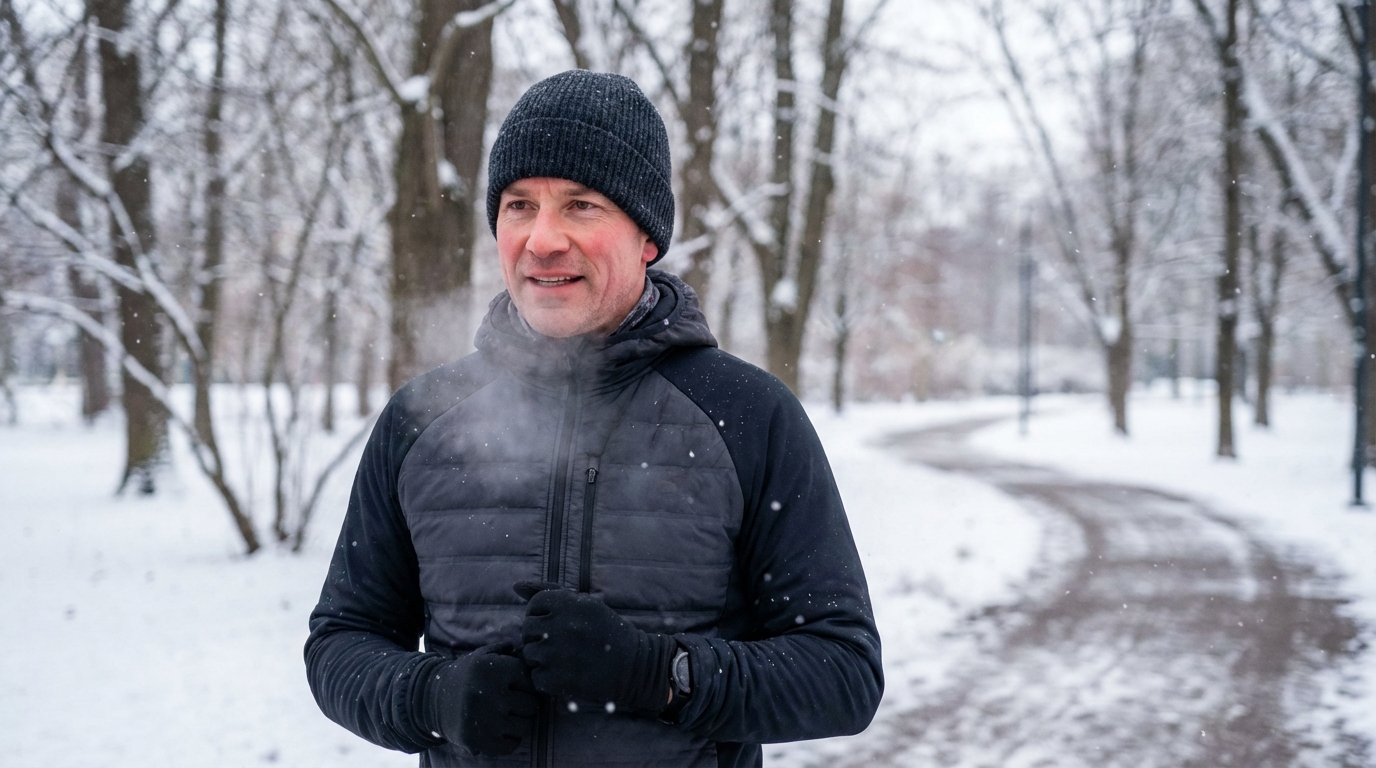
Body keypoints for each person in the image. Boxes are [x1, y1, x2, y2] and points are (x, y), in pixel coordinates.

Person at [305, 70, 882, 768]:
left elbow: (843, 673)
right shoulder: (423, 420)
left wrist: (658, 674)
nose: (542, 240)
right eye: (519, 206)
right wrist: (433, 699)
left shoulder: (747, 416)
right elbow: (341, 643)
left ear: (646, 236)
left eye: (580, 206)